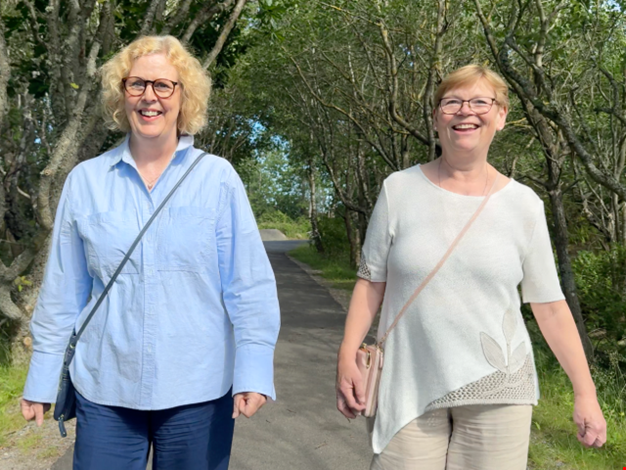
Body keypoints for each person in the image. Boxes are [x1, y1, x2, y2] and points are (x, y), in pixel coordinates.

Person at [20, 35, 280, 470]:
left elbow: (248, 285)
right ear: (121, 95)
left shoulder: (217, 179)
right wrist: (42, 378)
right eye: (137, 84)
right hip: (106, 388)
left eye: (164, 86)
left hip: (199, 387)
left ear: (185, 96)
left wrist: (253, 370)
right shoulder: (87, 181)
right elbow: (63, 290)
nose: (149, 97)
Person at [336, 64, 606, 470]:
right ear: (436, 118)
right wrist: (346, 353)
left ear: (501, 116)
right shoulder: (398, 189)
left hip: (499, 387)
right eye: (452, 102)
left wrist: (585, 392)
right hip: (407, 380)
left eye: (481, 101)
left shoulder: (525, 205)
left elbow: (549, 306)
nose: (466, 112)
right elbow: (371, 282)